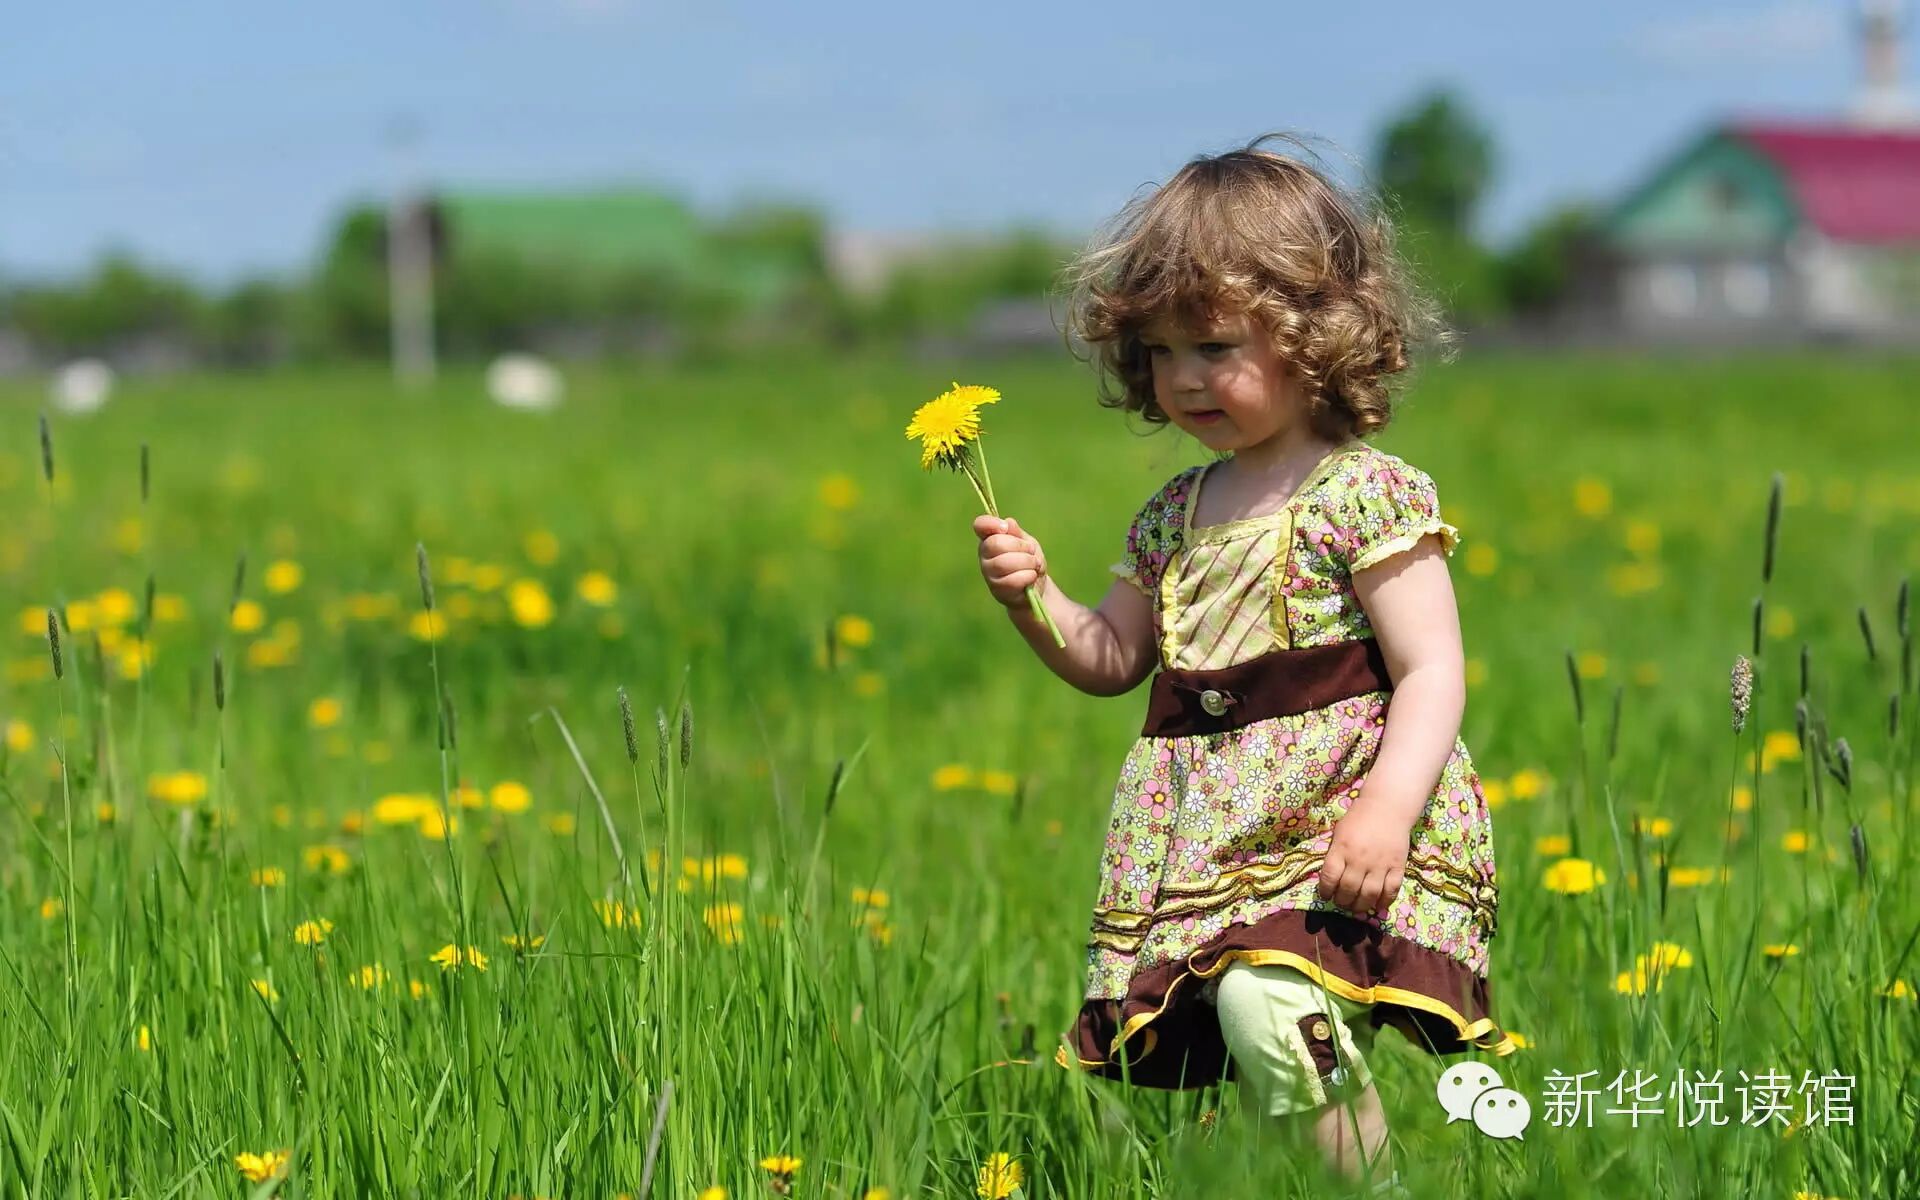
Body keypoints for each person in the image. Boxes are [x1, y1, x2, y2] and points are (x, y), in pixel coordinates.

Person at [971, 134, 1514, 1193]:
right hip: (1212, 834)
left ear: (1318, 335)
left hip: (1340, 812)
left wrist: (1388, 813)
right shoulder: (1172, 513)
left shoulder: (1365, 494)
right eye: (1162, 353)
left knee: (1269, 1000)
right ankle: (1327, 1168)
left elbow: (1434, 668)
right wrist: (1033, 600)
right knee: (1249, 1020)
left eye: (1215, 347)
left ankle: (1374, 1184)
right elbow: (1114, 658)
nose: (1184, 379)